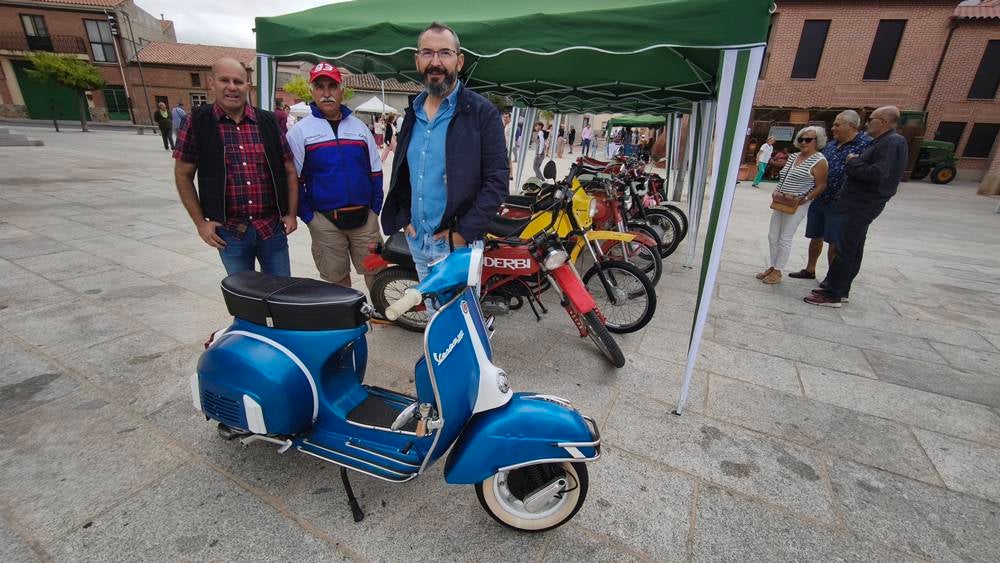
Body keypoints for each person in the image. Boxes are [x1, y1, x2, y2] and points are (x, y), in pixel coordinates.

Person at [381, 21, 508, 285]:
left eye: (445, 53)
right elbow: (404, 173)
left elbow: (497, 181)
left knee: (458, 320)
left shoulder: (482, 113)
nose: (435, 61)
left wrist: (462, 233)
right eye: (427, 53)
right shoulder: (412, 114)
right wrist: (405, 219)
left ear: (459, 61)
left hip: (457, 244)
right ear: (417, 61)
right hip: (417, 240)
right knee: (432, 312)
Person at [173, 57, 299, 277]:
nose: (232, 87)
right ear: (212, 83)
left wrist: (291, 214)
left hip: (271, 227)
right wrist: (201, 223)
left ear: (247, 86)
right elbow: (183, 175)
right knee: (245, 301)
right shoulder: (196, 122)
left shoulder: (267, 121)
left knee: (282, 297)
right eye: (225, 80)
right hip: (230, 232)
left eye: (238, 81)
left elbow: (289, 170)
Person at [286, 62, 383, 288]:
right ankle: (346, 320)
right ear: (312, 91)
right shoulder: (300, 132)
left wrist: (375, 209)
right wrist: (309, 217)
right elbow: (294, 180)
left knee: (376, 270)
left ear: (342, 90)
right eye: (320, 87)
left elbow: (376, 172)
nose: (327, 93)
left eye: (332, 86)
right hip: (325, 222)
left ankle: (381, 313)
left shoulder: (359, 128)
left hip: (365, 220)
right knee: (336, 279)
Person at [805, 106, 908, 307]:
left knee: (845, 248)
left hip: (861, 203)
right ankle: (839, 289)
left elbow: (877, 173)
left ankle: (833, 294)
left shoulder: (891, 142)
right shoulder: (885, 142)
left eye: (872, 119)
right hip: (858, 202)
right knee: (851, 248)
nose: (868, 123)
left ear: (884, 122)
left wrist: (853, 162)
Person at [788, 110, 871, 281]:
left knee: (834, 240)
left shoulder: (865, 145)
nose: (833, 128)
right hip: (820, 198)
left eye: (837, 124)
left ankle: (831, 278)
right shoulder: (832, 145)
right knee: (815, 235)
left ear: (851, 126)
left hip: (841, 201)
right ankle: (810, 269)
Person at [757, 126, 828, 285]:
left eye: (808, 139)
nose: (804, 142)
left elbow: (821, 185)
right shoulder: (793, 156)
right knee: (773, 235)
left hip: (799, 203)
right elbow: (783, 177)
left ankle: (778, 270)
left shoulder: (819, 160)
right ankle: (773, 265)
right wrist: (777, 190)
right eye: (801, 139)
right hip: (782, 200)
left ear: (817, 141)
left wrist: (807, 198)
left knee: (785, 237)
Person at [502, 111, 513, 179]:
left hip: (509, 145)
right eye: (504, 117)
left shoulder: (511, 125)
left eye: (506, 117)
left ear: (510, 118)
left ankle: (510, 174)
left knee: (508, 160)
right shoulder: (506, 125)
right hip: (505, 145)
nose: (505, 118)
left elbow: (511, 136)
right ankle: (509, 174)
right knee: (507, 160)